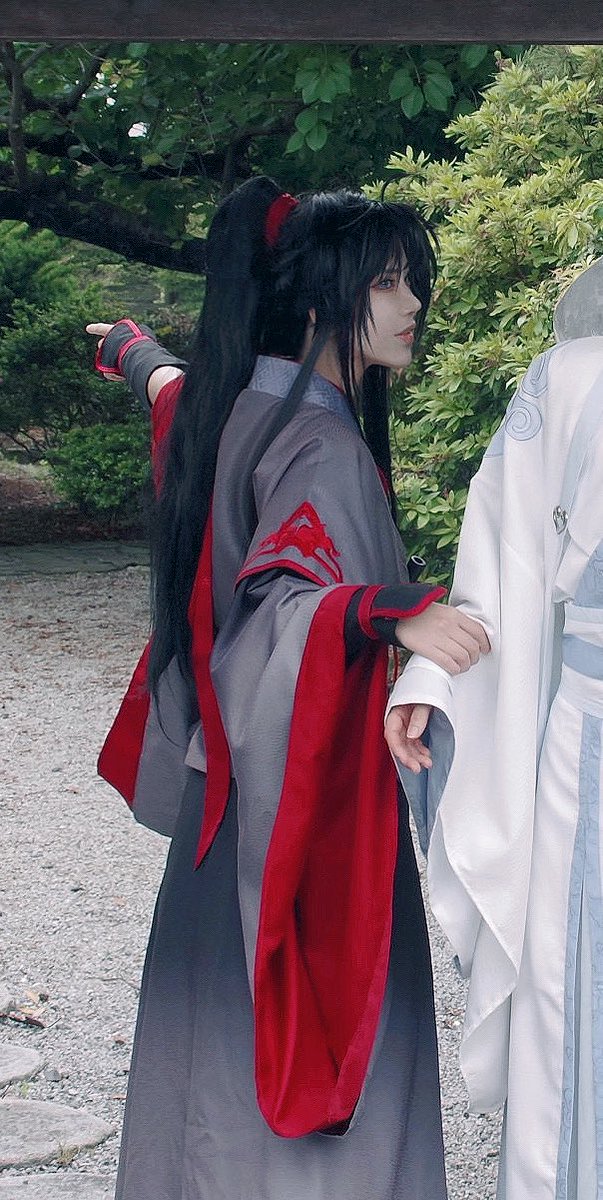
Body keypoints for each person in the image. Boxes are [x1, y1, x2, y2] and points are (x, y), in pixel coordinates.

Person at [88, 176, 488, 1200]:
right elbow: (281, 606)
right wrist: (379, 613)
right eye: (387, 283)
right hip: (293, 817)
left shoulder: (230, 406)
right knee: (309, 1078)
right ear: (318, 302)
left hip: (223, 810)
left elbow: (170, 394)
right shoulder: (320, 443)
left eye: (411, 282)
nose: (412, 305)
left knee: (206, 1078)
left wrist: (135, 354)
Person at [385, 269, 603, 1199]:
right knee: (574, 996)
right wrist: (436, 675)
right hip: (590, 746)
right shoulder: (574, 378)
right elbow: (502, 568)